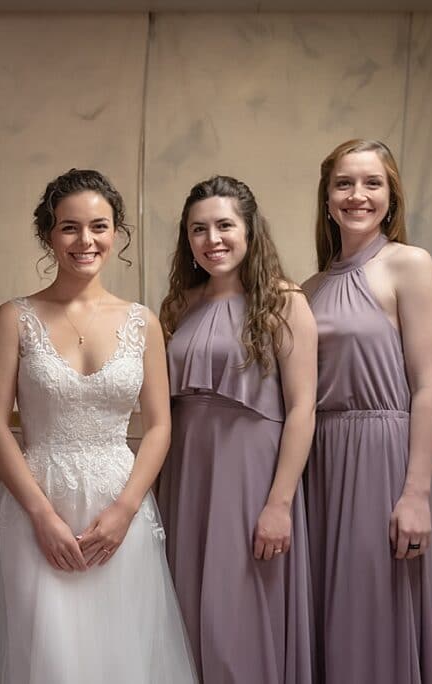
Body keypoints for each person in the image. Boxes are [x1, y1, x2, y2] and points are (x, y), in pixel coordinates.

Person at [0, 169, 197, 683]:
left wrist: (125, 509)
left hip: (120, 506)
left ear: (116, 233)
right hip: (36, 502)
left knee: (121, 656)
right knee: (44, 655)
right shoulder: (15, 317)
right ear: (48, 235)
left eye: (99, 226)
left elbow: (159, 426)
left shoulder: (142, 321)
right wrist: (41, 516)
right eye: (69, 227)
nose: (85, 240)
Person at [157, 175, 316, 683]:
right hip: (187, 471)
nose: (212, 240)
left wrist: (279, 503)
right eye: (198, 229)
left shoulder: (283, 301)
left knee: (240, 609)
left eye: (225, 225)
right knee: (184, 603)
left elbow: (303, 407)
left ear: (250, 230)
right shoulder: (180, 304)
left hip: (252, 473)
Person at [303, 139, 432, 684]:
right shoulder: (310, 287)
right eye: (344, 183)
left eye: (371, 183)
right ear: (327, 196)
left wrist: (416, 493)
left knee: (373, 608)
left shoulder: (408, 265)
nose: (357, 195)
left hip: (382, 458)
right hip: (320, 459)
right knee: (326, 610)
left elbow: (429, 385)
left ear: (391, 194)